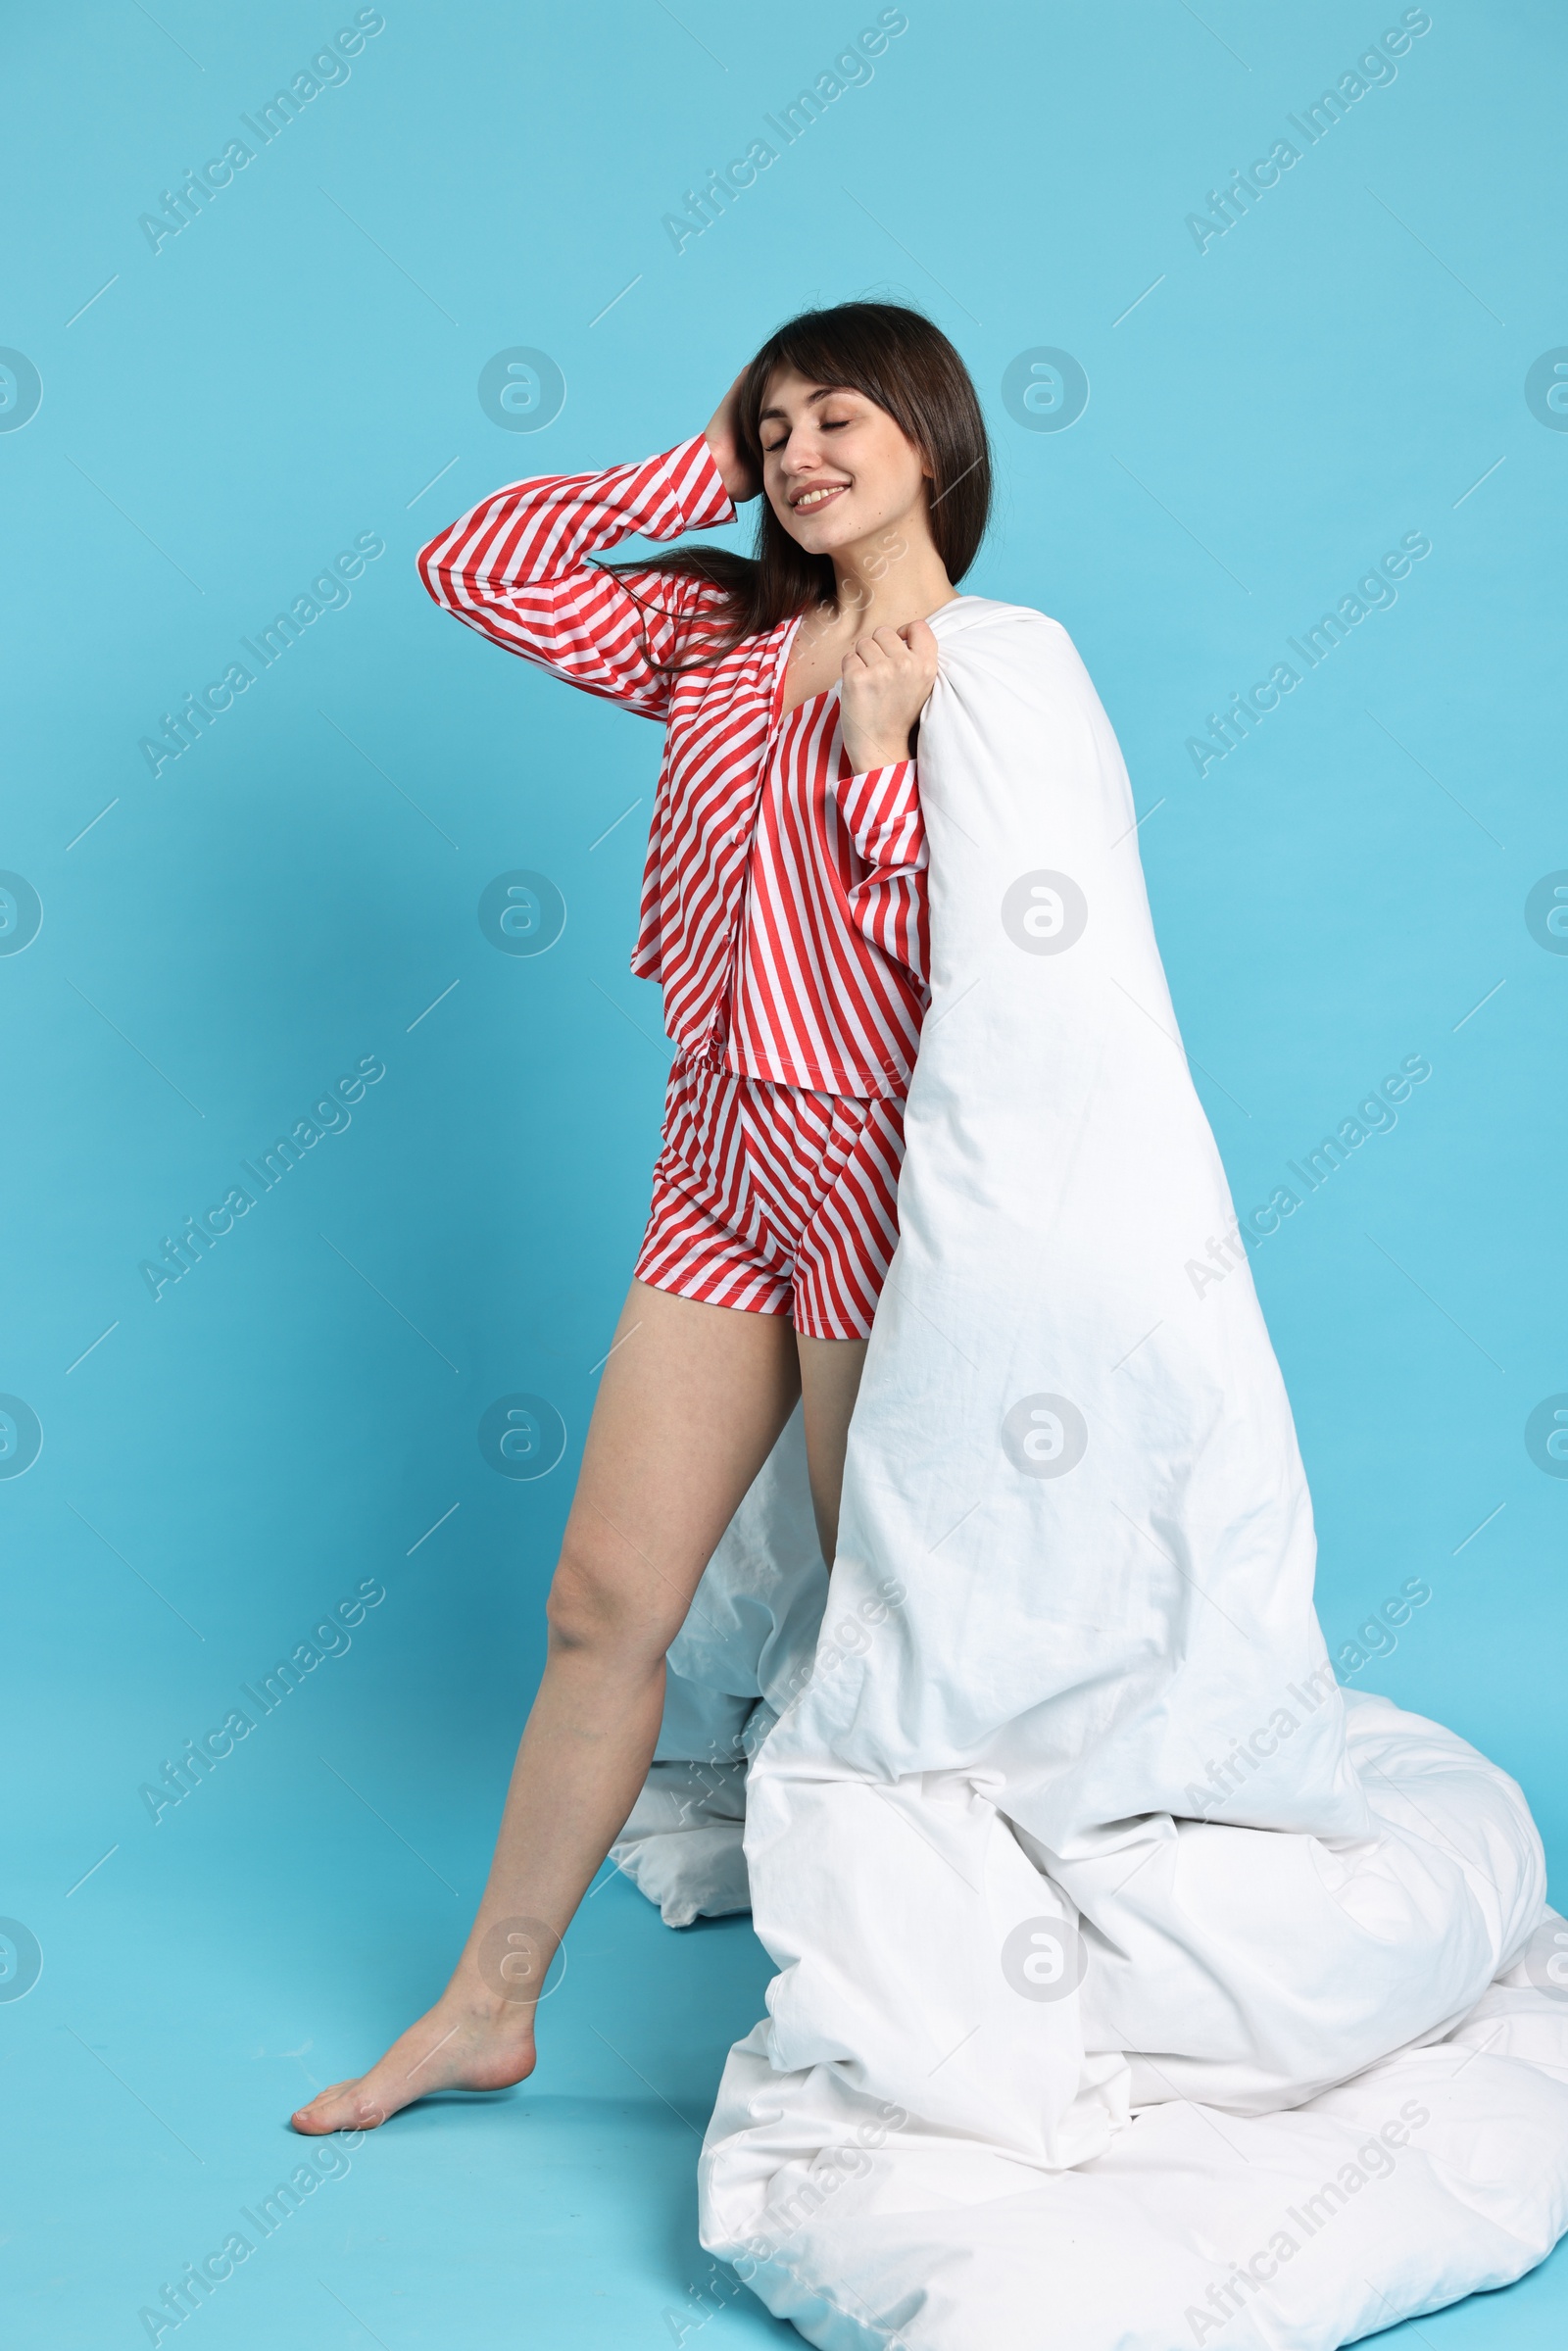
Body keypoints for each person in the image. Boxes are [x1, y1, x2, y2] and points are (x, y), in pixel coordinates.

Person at [290, 301, 992, 2135]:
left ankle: (928, 2018)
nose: (802, 456)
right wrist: (709, 463)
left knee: (880, 1625)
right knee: (604, 1598)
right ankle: (487, 2009)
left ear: (936, 436)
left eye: (842, 419)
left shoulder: (993, 669)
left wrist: (879, 761)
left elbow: (1000, 976)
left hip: (863, 1166)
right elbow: (475, 560)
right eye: (774, 431)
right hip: (712, 1154)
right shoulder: (710, 629)